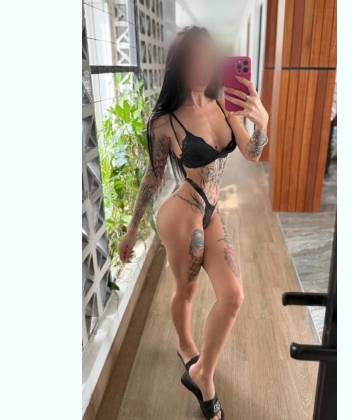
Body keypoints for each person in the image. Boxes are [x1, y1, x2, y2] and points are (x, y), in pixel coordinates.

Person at [118, 26, 269, 420]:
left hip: (210, 211)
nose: (201, 67)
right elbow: (152, 177)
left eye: (207, 58)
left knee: (233, 295)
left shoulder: (223, 104)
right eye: (193, 60)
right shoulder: (165, 122)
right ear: (179, 65)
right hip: (181, 216)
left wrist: (262, 124)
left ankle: (201, 372)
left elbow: (252, 154)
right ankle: (186, 346)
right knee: (187, 290)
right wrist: (132, 230)